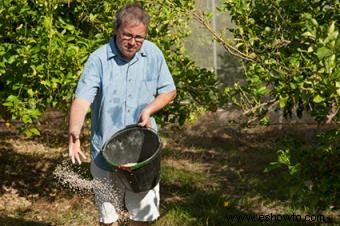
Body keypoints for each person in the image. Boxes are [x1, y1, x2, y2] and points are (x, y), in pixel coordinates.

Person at [67, 3, 176, 226]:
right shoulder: (98, 59)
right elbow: (82, 99)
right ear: (116, 30)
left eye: (139, 37)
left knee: (142, 216)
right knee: (108, 218)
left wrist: (149, 110)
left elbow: (169, 91)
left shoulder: (153, 54)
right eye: (127, 35)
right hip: (104, 152)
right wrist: (74, 132)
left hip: (142, 154)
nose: (133, 42)